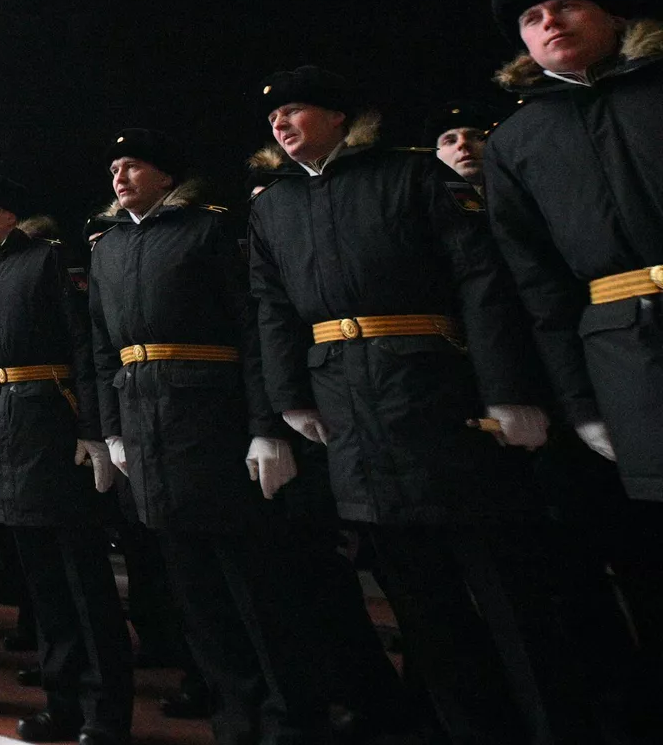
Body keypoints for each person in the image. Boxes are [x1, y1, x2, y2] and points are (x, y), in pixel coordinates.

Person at [248, 66, 585, 744]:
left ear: (342, 117)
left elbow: (481, 285)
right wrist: (289, 399)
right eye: (274, 118)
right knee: (418, 602)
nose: (282, 126)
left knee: (506, 594)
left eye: (297, 111)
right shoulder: (273, 206)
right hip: (345, 407)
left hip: (436, 397)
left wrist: (507, 391)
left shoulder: (412, 176)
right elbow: (272, 307)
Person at [86, 132, 329, 744]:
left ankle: (290, 717)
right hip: (145, 430)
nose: (119, 176)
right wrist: (112, 431)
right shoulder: (107, 248)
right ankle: (235, 715)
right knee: (192, 591)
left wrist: (265, 429)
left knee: (255, 586)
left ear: (166, 176)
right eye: (114, 168)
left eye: (133, 165)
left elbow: (253, 332)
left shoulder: (209, 231)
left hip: (213, 425)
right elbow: (99, 348)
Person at [485, 0, 663, 715]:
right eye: (533, 19)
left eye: (565, 6)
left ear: (615, 16)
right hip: (623, 353)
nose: (549, 23)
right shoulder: (518, 140)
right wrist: (580, 399)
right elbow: (538, 286)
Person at [0, 180, 130, 739]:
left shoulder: (50, 262)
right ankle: (63, 702)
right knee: (43, 584)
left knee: (83, 579)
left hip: (54, 424)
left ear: (11, 213)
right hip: (4, 429)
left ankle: (107, 710)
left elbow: (84, 345)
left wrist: (93, 431)